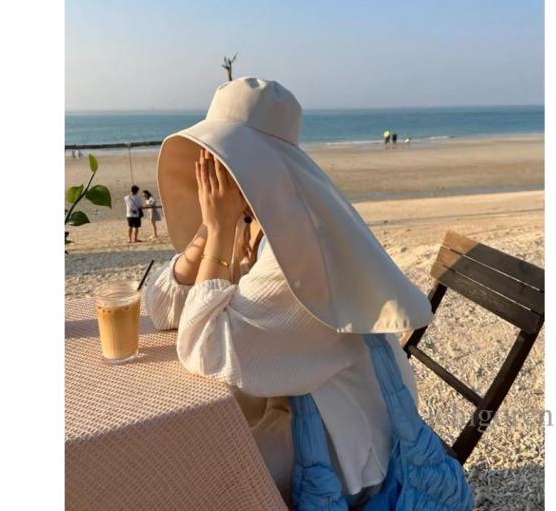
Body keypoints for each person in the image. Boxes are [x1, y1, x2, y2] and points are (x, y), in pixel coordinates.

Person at [144, 78, 434, 507]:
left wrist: (219, 229)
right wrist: (209, 231)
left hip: (349, 441)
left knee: (199, 481)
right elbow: (162, 309)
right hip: (299, 404)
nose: (209, 171)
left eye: (221, 159)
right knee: (189, 457)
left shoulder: (298, 250)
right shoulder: (257, 221)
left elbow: (203, 347)